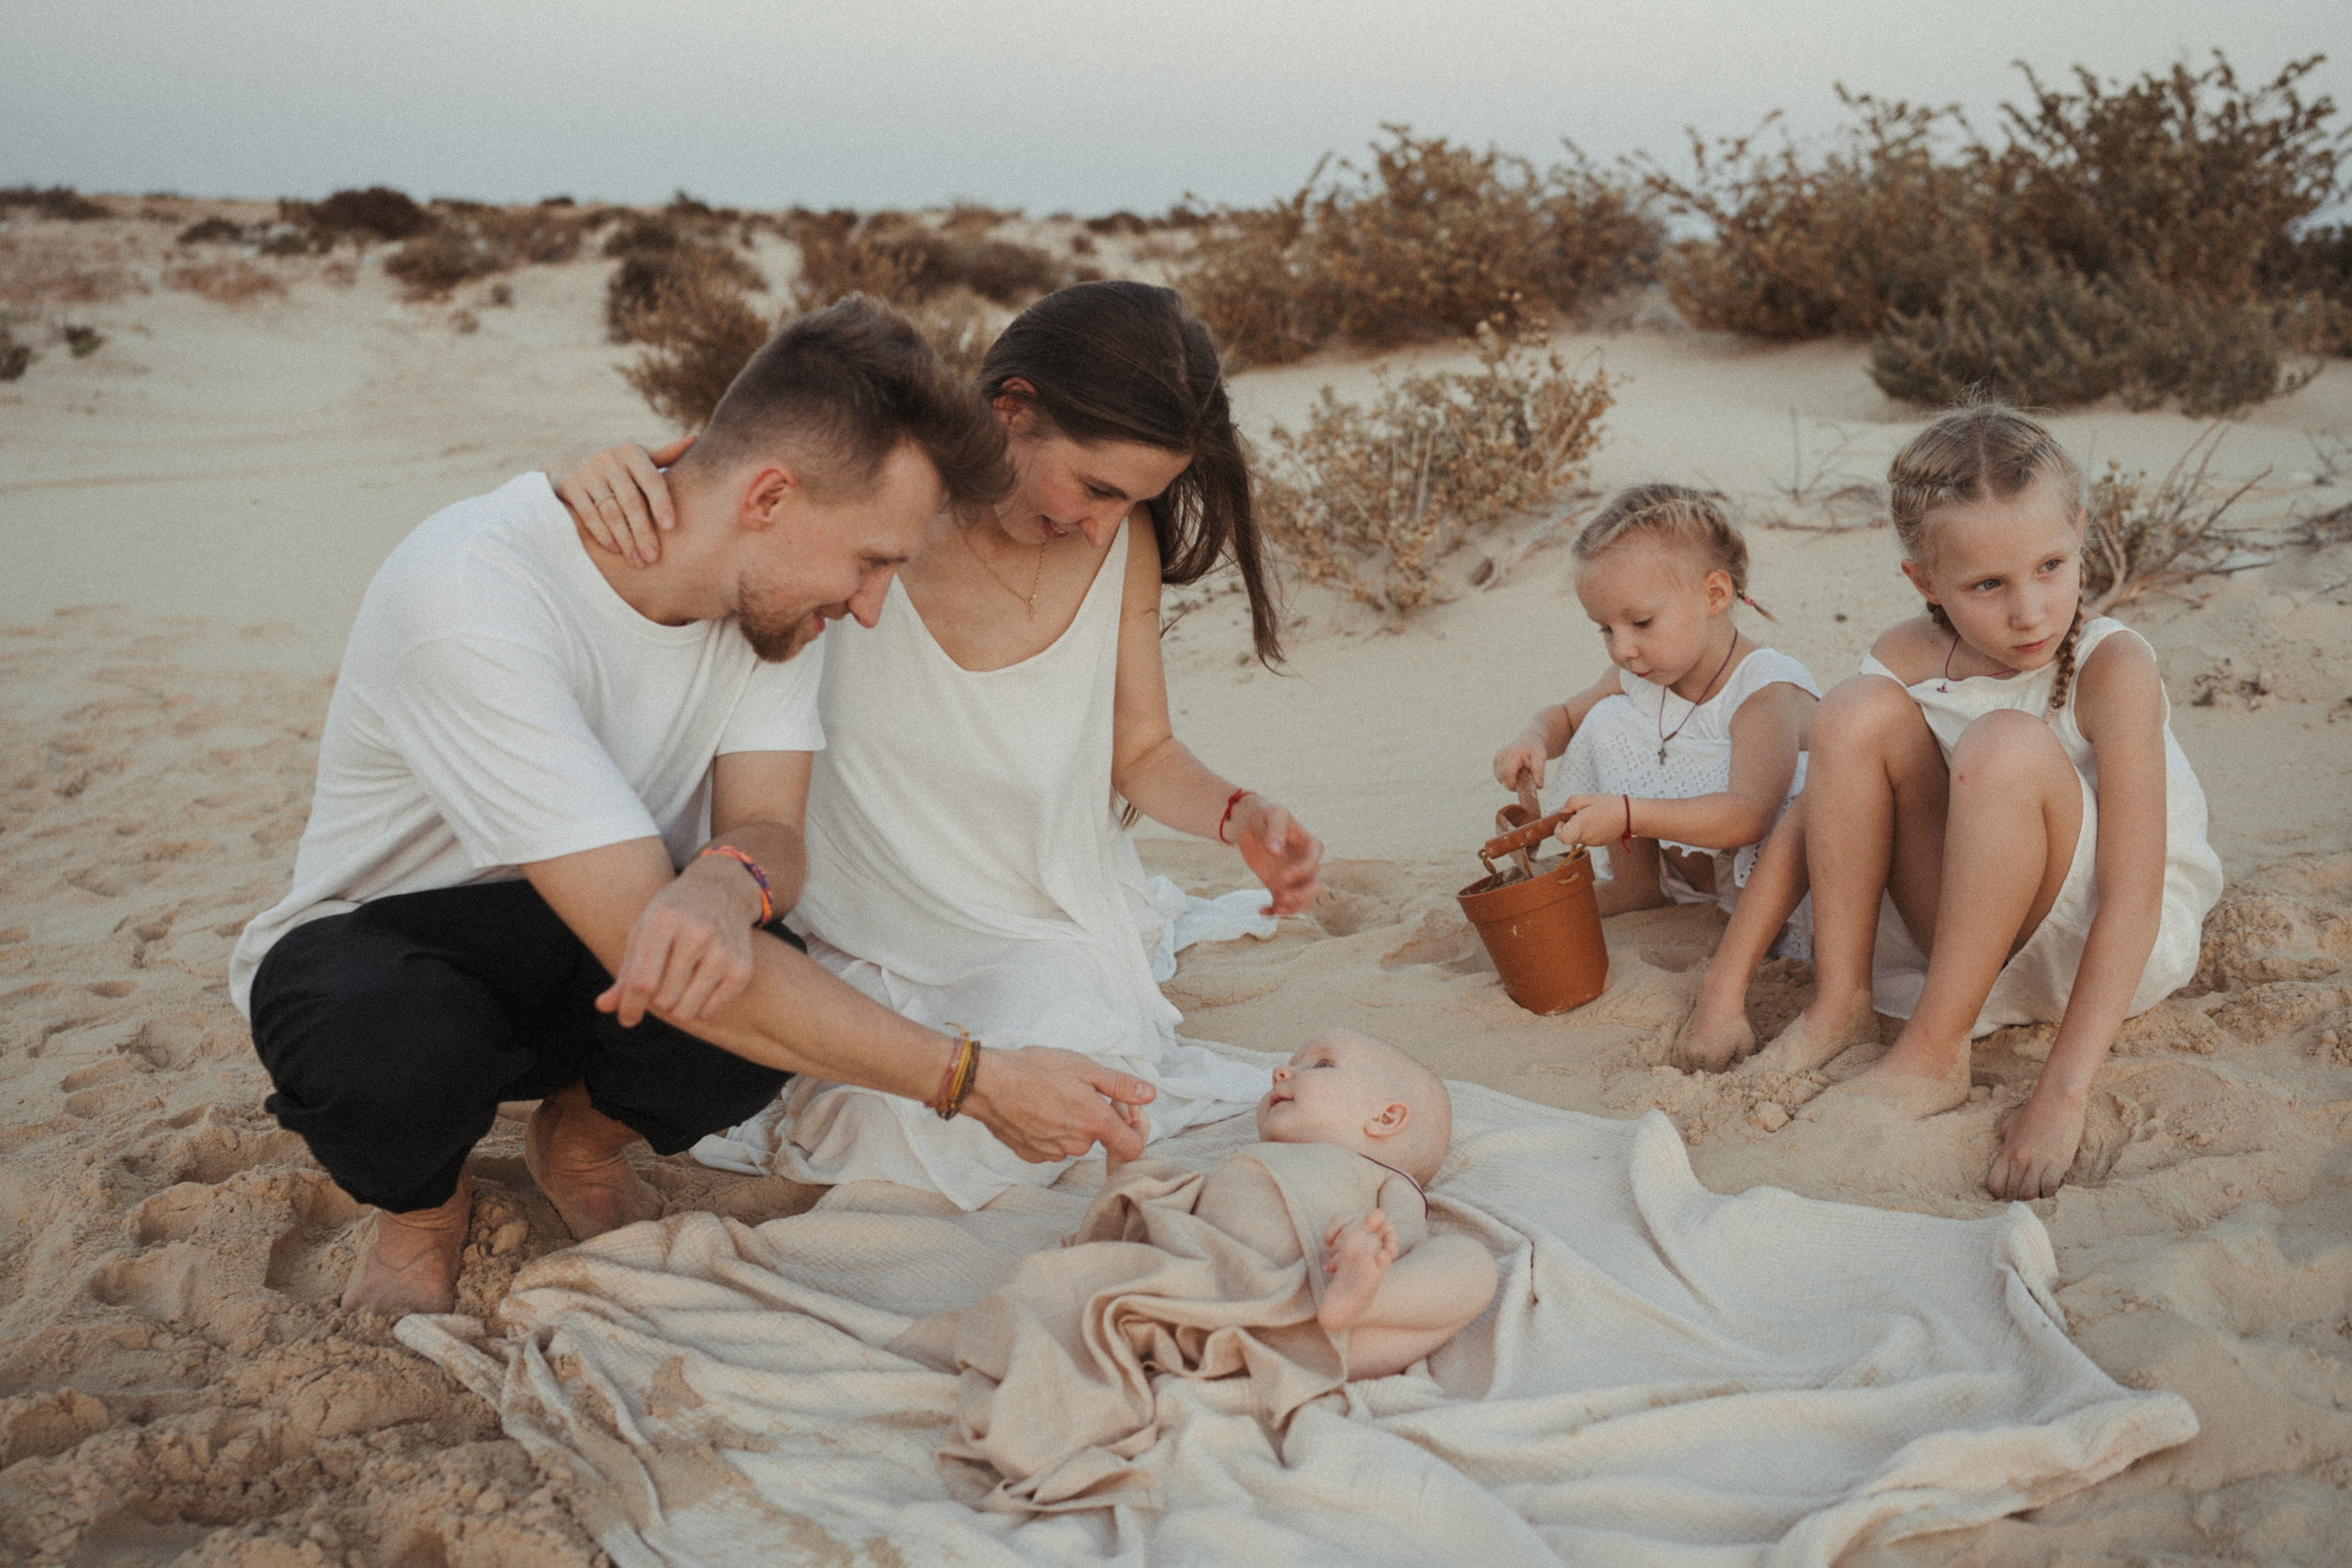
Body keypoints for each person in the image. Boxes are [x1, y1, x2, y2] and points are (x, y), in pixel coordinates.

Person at [232, 300, 1159, 1318]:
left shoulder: (764, 615)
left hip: (609, 946)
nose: (869, 606)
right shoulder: (469, 599)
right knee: (393, 1051)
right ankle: (421, 1210)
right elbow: (649, 933)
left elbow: (771, 833)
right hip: (391, 943)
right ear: (769, 495)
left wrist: (729, 877)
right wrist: (978, 1081)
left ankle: (576, 1142)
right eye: (872, 560)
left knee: (763, 973)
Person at [557, 281, 1325, 1208]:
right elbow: (721, 501)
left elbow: (1144, 749)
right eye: (1096, 487)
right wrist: (593, 470)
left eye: (1134, 502)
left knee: (1068, 1108)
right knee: (872, 1123)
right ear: (1013, 409)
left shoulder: (1121, 547)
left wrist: (1238, 815)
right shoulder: (861, 500)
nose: (1105, 524)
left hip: (1026, 917)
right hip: (834, 910)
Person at [1754, 404, 2222, 1200]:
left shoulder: (2115, 669)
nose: (2031, 610)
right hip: (1969, 915)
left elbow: (2135, 893)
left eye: (2051, 565)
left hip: (2093, 934)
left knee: (2003, 745)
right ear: (1924, 580)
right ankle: (1841, 1007)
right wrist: (1730, 983)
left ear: (2080, 530)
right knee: (1851, 707)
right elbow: (1821, 805)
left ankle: (1935, 1053)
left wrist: (2062, 1092)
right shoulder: (1907, 653)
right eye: (1987, 585)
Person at [940, 1031, 1498, 1512]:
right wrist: (1126, 1172)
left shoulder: (1385, 1180)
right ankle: (1356, 1297)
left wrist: (1371, 1257)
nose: (1283, 1070)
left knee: (1471, 1265)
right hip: (1200, 1300)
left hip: (1319, 1321)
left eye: (1319, 1064)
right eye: (1290, 1063)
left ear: (1387, 1117)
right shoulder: (1240, 1162)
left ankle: (1367, 1296)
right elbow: (1151, 1224)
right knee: (1054, 1282)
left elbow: (1406, 1239)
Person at [1489, 484, 1818, 1068]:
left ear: (1715, 594)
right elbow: (1566, 716)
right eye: (1606, 629)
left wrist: (1628, 813)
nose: (1623, 649)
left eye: (1640, 622)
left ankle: (1752, 940)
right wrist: (1534, 739)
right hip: (1693, 873)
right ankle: (1640, 886)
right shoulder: (1646, 675)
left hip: (1777, 888)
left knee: (1784, 803)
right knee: (1612, 717)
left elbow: (1750, 812)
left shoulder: (1764, 688)